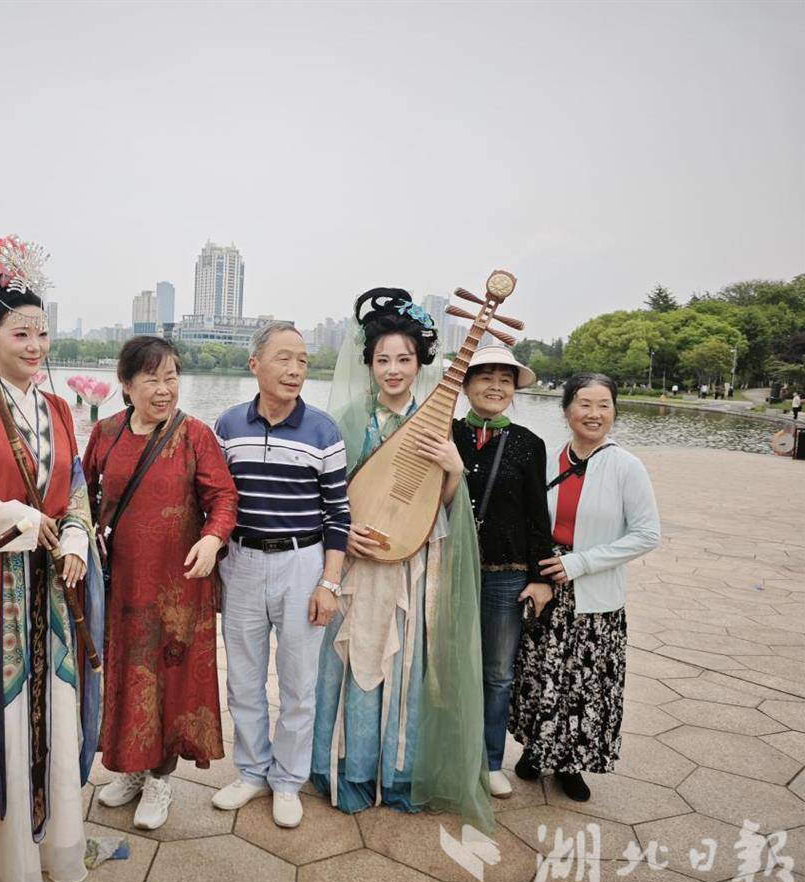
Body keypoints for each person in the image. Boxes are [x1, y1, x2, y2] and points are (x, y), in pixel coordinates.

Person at [0, 235, 104, 882]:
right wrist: (2, 516)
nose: (36, 345)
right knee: (2, 723)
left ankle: (52, 845)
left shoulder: (59, 409)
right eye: (21, 333)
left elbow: (78, 491)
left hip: (55, 593)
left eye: (42, 332)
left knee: (57, 716)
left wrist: (76, 539)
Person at [311, 288, 493, 832]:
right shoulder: (346, 421)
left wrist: (454, 469)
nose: (393, 370)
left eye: (404, 359)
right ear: (368, 364)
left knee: (407, 665)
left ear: (420, 363)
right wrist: (345, 535)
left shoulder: (437, 424)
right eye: (383, 359)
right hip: (358, 564)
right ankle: (351, 769)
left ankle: (399, 773)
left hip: (415, 562)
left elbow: (439, 504)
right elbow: (328, 498)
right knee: (356, 664)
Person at [85, 336, 238, 830]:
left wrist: (212, 539)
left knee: (169, 680)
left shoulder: (195, 435)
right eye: (151, 379)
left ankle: (159, 779)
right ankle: (131, 770)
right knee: (127, 674)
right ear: (126, 384)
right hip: (122, 584)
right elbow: (83, 495)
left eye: (171, 377)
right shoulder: (106, 432)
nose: (164, 389)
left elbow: (223, 499)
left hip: (178, 587)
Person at [212, 323, 349, 829]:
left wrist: (329, 583)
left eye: (303, 360)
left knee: (298, 682)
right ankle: (251, 771)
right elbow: (214, 499)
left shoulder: (324, 431)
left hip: (302, 563)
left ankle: (288, 780)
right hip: (241, 562)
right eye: (284, 358)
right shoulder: (228, 426)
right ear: (255, 364)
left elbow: (338, 514)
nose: (295, 370)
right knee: (243, 678)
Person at [511, 373, 661, 802]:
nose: (594, 414)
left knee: (583, 682)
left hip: (593, 594)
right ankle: (536, 749)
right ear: (566, 410)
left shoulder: (626, 466)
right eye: (584, 404)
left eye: (604, 405)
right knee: (539, 674)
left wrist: (579, 563)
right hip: (544, 585)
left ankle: (570, 763)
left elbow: (647, 534)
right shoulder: (545, 460)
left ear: (614, 412)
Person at [452, 346, 553, 801]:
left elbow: (537, 514)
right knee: (447, 664)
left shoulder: (529, 443)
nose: (495, 387)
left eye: (505, 380)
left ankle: (490, 760)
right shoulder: (447, 432)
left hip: (505, 573)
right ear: (467, 384)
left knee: (497, 672)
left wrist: (541, 577)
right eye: (485, 377)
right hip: (450, 567)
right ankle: (449, 755)